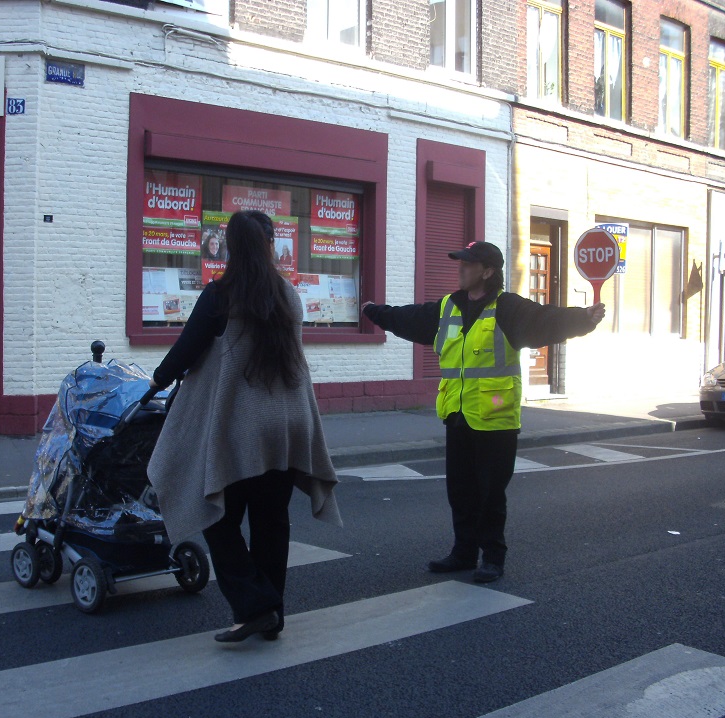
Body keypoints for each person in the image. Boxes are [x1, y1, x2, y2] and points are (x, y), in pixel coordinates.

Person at [148, 210, 341, 643]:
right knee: (272, 523)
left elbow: (184, 353)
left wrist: (157, 381)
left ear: (230, 247)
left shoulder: (220, 296)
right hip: (288, 427)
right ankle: (273, 613)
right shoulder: (288, 295)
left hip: (241, 428)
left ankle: (254, 606)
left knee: (216, 516)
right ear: (270, 246)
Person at [361, 241, 605, 584]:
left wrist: (583, 318)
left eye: (467, 263)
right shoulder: (449, 306)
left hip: (495, 418)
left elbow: (544, 319)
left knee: (490, 492)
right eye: (460, 262)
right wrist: (376, 312)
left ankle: (492, 557)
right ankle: (463, 553)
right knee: (460, 490)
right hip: (458, 414)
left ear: (488, 272)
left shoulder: (507, 308)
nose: (459, 268)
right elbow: (410, 318)